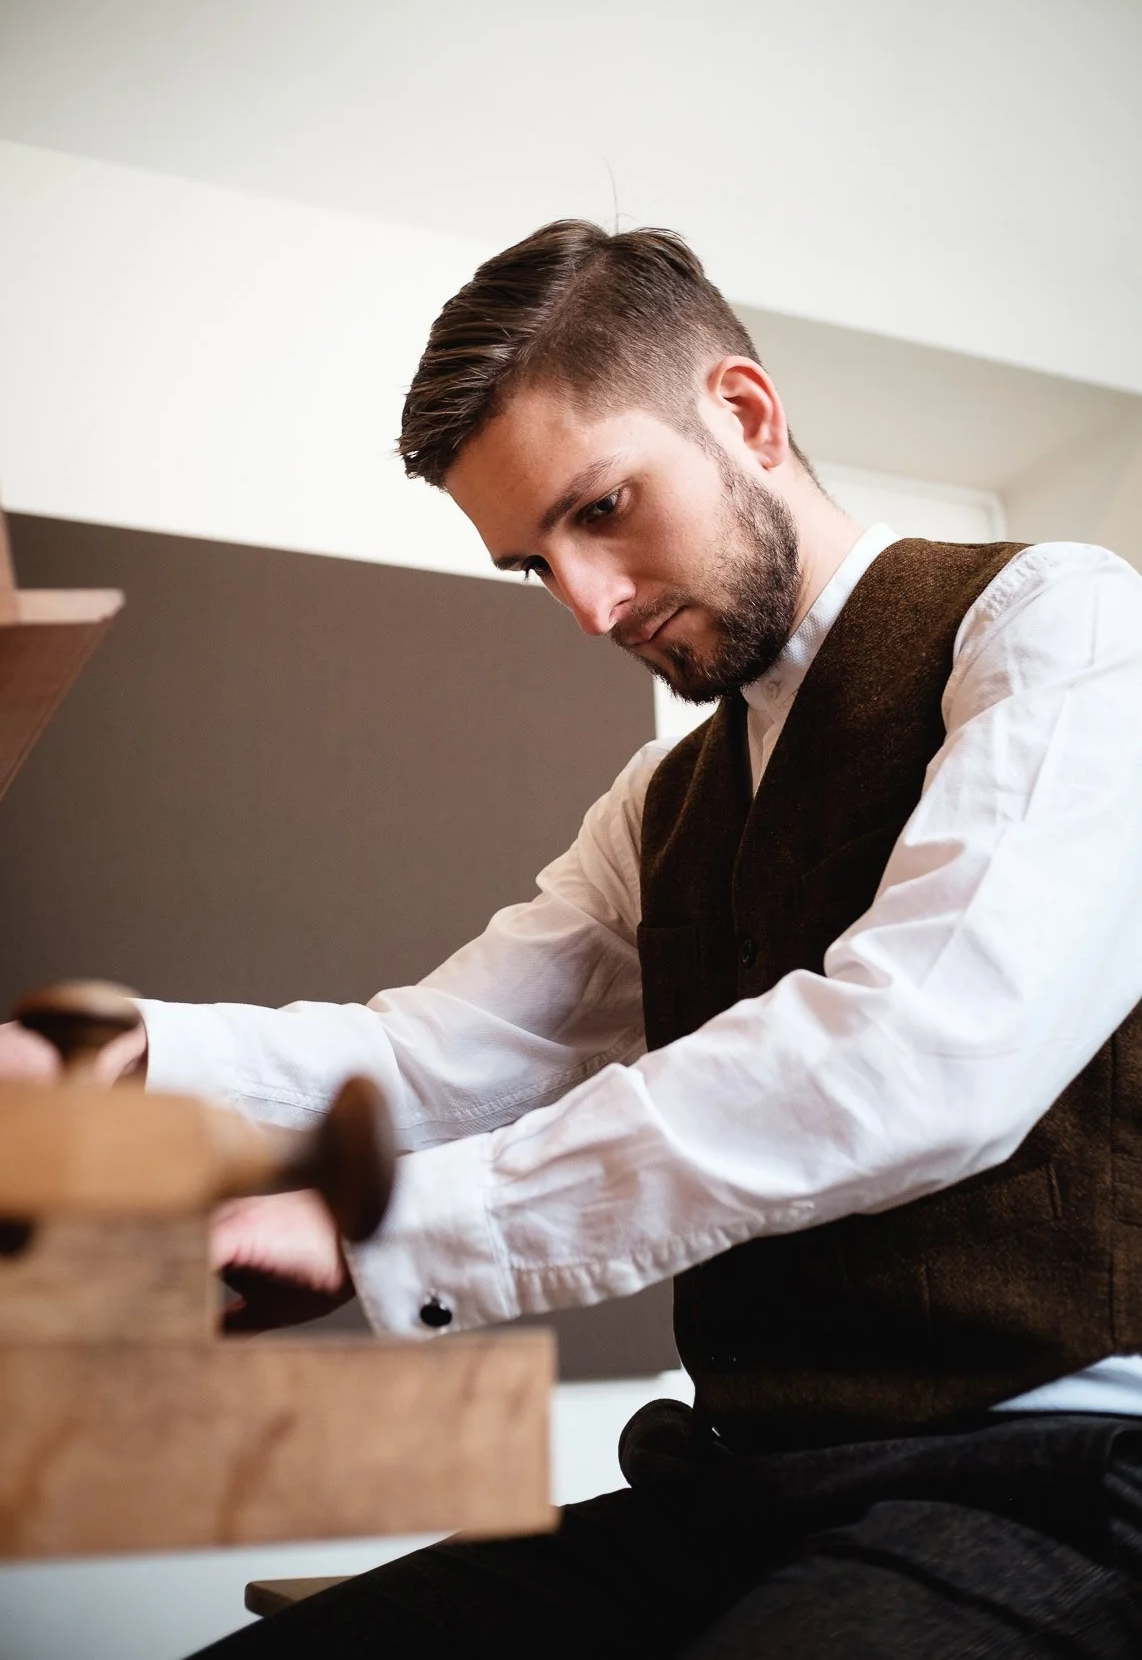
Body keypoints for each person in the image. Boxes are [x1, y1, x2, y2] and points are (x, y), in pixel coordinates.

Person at [7, 220, 1142, 1655]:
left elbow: (919, 1058)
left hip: (1057, 1481)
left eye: (602, 506)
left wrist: (372, 1226)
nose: (589, 604)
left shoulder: (1062, 626)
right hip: (745, 1480)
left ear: (742, 411)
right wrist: (102, 1060)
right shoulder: (660, 800)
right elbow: (447, 1055)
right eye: (531, 562)